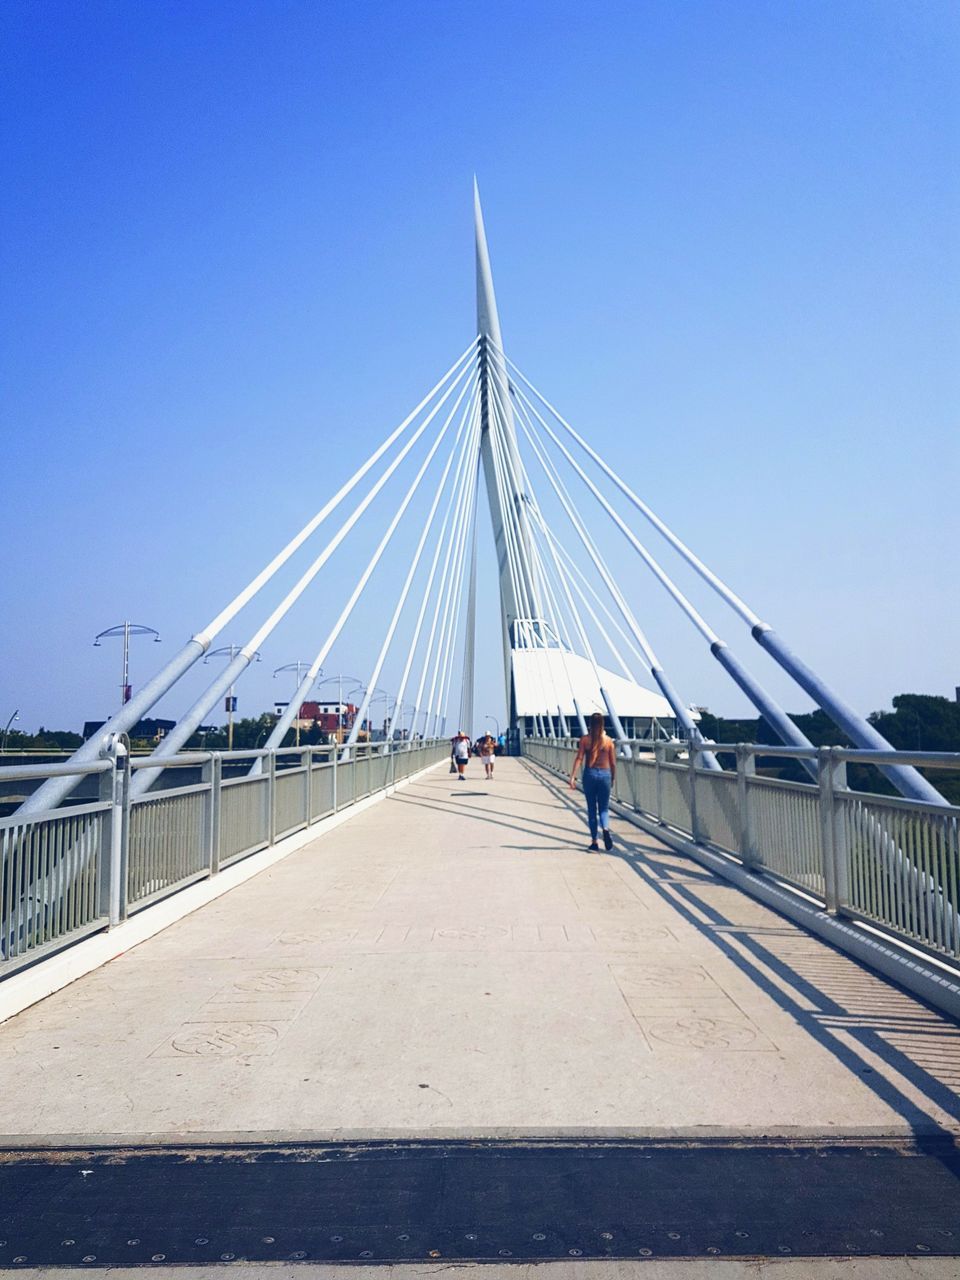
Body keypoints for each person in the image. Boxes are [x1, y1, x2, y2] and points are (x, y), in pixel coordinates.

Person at [568, 711, 616, 851]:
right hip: (605, 775)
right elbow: (613, 763)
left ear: (590, 724)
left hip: (590, 775)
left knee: (591, 809)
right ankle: (605, 829)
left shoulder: (585, 740)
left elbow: (579, 758)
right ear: (602, 724)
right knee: (604, 808)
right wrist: (612, 777)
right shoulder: (608, 741)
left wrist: (572, 777)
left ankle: (595, 842)